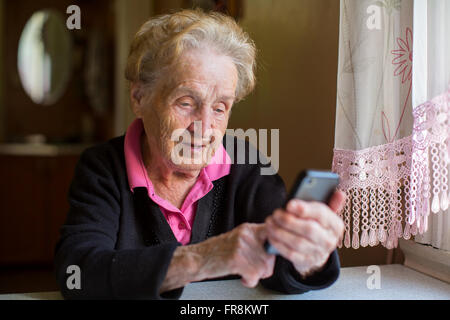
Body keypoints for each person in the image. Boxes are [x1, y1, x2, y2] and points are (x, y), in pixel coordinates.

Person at [54, 9, 345, 300]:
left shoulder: (247, 165)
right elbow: (77, 273)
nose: (204, 128)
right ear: (139, 97)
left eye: (220, 108)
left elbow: (280, 264)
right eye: (185, 102)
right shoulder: (103, 168)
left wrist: (307, 256)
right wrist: (202, 259)